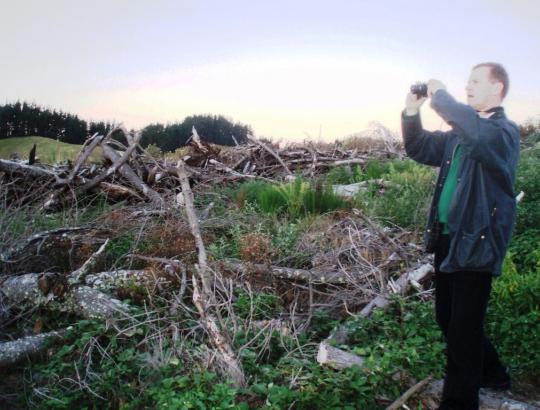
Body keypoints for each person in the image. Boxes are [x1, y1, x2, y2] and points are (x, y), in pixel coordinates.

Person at [401, 63, 520, 410]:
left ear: (497, 88)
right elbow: (420, 148)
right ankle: (494, 374)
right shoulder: (459, 133)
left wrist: (441, 95)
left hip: (477, 241)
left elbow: (477, 135)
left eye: (475, 81)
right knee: (448, 319)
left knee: (462, 332)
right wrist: (411, 111)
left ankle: (459, 402)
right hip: (449, 239)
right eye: (466, 81)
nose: (467, 86)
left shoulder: (503, 133)